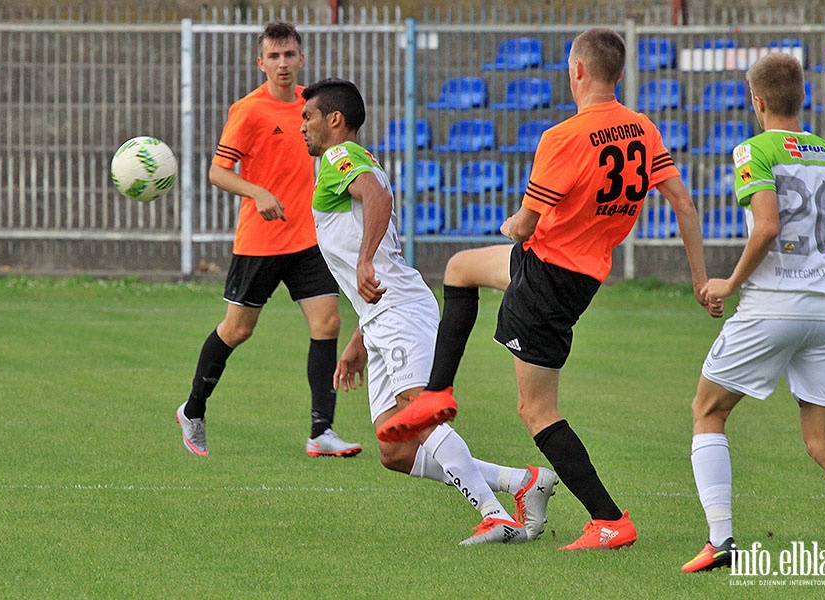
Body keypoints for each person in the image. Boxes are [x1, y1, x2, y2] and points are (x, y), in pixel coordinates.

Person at [378, 28, 719, 551]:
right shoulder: (642, 128)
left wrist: (511, 223)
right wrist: (698, 279)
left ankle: (609, 520)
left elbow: (526, 224)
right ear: (619, 75)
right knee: (460, 268)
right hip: (574, 270)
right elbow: (684, 203)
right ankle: (436, 394)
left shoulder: (564, 137)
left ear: (577, 70)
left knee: (537, 411)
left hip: (547, 274)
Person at [300, 76, 559, 545]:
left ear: (334, 120)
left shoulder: (340, 156)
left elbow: (379, 200)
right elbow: (376, 240)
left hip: (400, 309)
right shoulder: (347, 163)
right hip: (382, 315)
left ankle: (495, 515)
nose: (302, 126)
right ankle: (521, 482)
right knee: (394, 448)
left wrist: (362, 261)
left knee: (417, 414)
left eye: (308, 117)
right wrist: (360, 335)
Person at [680, 53, 825, 573]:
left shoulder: (755, 149)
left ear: (759, 102)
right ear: (803, 99)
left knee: (709, 411)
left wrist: (729, 281)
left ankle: (721, 541)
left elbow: (767, 226)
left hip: (772, 306)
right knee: (824, 441)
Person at [176, 22, 361, 458]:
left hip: (306, 237)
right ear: (261, 62)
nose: (282, 63)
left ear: (301, 59)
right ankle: (193, 410)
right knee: (238, 329)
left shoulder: (310, 107)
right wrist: (256, 191)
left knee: (328, 323)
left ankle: (321, 431)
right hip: (259, 241)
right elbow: (218, 171)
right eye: (274, 56)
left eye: (289, 54)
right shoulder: (248, 110)